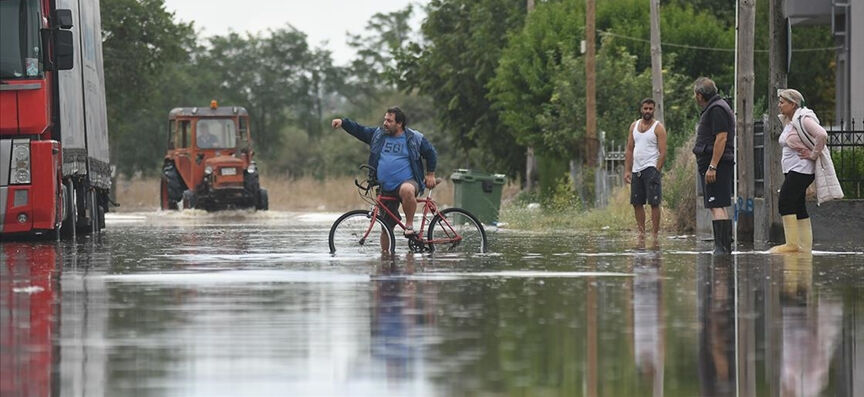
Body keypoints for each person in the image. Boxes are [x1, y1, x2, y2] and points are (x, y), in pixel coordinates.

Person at [331, 107, 438, 252]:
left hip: (408, 182)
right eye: (385, 119)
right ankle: (386, 258)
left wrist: (430, 174)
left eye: (389, 120)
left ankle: (409, 225)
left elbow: (431, 152)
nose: (385, 123)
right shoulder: (378, 135)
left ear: (399, 123)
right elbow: (360, 130)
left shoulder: (414, 138)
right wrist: (343, 122)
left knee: (407, 190)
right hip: (385, 187)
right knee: (386, 228)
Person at [769, 89, 829, 253]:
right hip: (793, 169)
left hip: (801, 169)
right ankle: (804, 247)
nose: (779, 105)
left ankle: (792, 244)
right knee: (798, 205)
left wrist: (813, 154)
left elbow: (822, 134)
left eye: (782, 102)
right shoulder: (790, 120)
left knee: (785, 201)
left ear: (793, 103)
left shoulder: (804, 118)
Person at [692, 77, 735, 254]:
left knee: (716, 205)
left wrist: (713, 166)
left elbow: (721, 137)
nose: (695, 98)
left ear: (700, 95)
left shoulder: (716, 109)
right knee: (718, 205)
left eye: (695, 94)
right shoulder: (717, 107)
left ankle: (721, 248)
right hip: (715, 163)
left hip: (716, 165)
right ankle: (723, 246)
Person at [624, 98, 667, 245]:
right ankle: (641, 233)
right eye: (645, 108)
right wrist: (627, 170)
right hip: (637, 169)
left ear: (654, 110)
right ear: (641, 109)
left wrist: (657, 170)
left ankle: (655, 234)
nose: (648, 111)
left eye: (650, 109)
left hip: (651, 168)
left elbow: (663, 152)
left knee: (654, 203)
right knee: (637, 203)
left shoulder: (658, 127)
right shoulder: (634, 126)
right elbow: (629, 149)